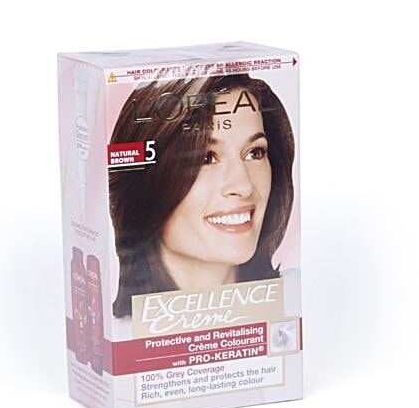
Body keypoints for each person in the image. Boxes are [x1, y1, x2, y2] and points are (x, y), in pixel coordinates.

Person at [109, 74, 295, 317]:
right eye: (206, 158)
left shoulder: (292, 303)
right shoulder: (121, 331)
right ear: (147, 183)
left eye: (255, 153)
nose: (244, 186)